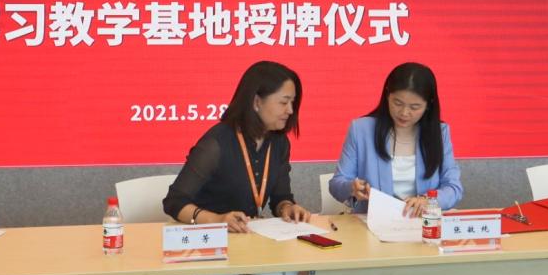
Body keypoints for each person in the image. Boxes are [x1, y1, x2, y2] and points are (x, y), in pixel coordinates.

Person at [164, 60, 312, 230]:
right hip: (209, 237)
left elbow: (281, 197)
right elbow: (174, 201)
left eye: (293, 102)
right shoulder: (217, 143)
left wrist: (287, 208)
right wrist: (217, 219)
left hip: (246, 235)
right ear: (257, 102)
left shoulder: (279, 142)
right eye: (284, 102)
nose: (290, 110)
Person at [329, 62, 463, 215]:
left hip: (422, 222)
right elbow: (336, 184)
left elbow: (454, 188)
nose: (404, 113)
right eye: (397, 103)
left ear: (428, 105)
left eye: (414, 107)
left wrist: (429, 200)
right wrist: (351, 188)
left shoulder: (439, 132)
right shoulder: (361, 129)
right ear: (387, 95)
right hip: (372, 222)